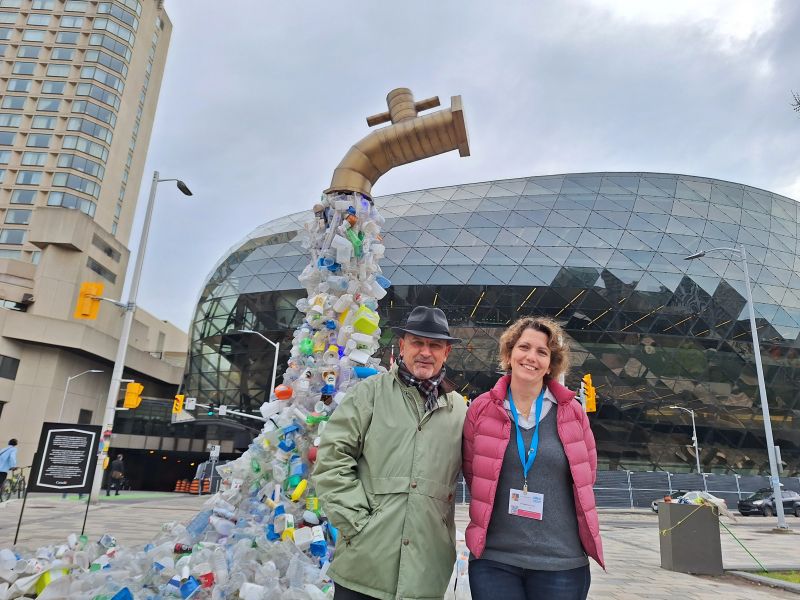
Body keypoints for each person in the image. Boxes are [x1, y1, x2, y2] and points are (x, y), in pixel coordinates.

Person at [314, 306, 467, 600]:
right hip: (364, 566)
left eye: (434, 345)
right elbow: (332, 459)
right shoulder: (368, 393)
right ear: (402, 346)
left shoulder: (459, 409)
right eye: (417, 343)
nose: (425, 352)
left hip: (425, 571)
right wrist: (357, 525)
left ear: (446, 352)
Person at [463, 316, 604, 600]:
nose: (531, 357)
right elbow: (472, 471)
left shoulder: (572, 412)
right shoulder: (481, 409)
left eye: (542, 352)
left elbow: (586, 475)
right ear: (509, 353)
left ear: (552, 363)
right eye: (524, 347)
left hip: (561, 563)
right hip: (495, 560)